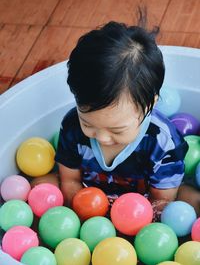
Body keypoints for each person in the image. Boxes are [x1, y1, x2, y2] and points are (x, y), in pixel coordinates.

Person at [33, 17, 200, 217]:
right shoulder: (72, 125)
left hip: (143, 203)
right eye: (89, 124)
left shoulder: (162, 140)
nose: (102, 137)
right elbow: (70, 180)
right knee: (39, 186)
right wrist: (82, 214)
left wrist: (133, 225)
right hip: (90, 196)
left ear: (150, 104)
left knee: (191, 202)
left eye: (117, 129)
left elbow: (162, 199)